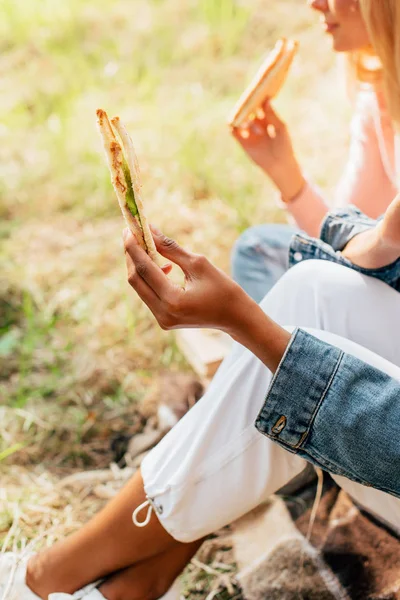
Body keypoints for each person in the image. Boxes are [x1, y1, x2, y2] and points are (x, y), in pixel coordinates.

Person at [6, 1, 400, 599]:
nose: (315, 3)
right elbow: (350, 260)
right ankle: (127, 576)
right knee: (284, 270)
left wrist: (245, 324)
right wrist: (298, 186)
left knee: (295, 306)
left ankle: (50, 577)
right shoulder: (381, 93)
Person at [231, 0, 399, 302]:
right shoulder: (378, 96)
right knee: (256, 249)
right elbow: (342, 240)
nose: (316, 4)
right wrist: (287, 175)